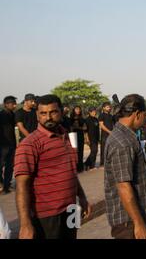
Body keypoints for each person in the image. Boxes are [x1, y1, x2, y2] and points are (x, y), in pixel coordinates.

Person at [14, 94, 92, 239]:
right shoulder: (30, 144)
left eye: (53, 112)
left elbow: (71, 172)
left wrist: (82, 197)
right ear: (37, 115)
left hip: (71, 209)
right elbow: (21, 185)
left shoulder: (67, 137)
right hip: (47, 216)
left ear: (61, 112)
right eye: (43, 113)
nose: (48, 117)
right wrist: (25, 224)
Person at [104, 94, 146, 239]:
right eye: (145, 115)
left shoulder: (126, 136)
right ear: (137, 114)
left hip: (133, 217)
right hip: (128, 221)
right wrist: (138, 223)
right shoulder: (122, 142)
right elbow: (123, 186)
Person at [0, 96, 17, 194]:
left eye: (15, 103)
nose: (14, 105)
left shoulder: (12, 114)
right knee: (1, 166)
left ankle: (6, 186)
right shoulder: (1, 115)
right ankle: (2, 184)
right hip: (2, 145)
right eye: (12, 103)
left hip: (11, 144)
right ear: (6, 104)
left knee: (10, 167)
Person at [70, 106, 86, 172]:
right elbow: (72, 127)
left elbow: (85, 127)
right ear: (74, 110)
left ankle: (80, 167)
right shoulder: (71, 118)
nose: (78, 110)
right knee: (75, 152)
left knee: (81, 151)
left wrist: (79, 128)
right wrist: (79, 127)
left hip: (80, 135)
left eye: (79, 109)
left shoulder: (82, 118)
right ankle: (75, 167)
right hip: (73, 135)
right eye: (76, 109)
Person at [99, 102, 114, 167]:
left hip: (111, 135)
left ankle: (109, 162)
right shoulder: (101, 115)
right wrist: (109, 131)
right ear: (103, 108)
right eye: (107, 107)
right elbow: (101, 125)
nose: (109, 108)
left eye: (109, 107)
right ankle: (102, 163)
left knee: (110, 149)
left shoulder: (111, 116)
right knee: (104, 149)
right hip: (104, 135)